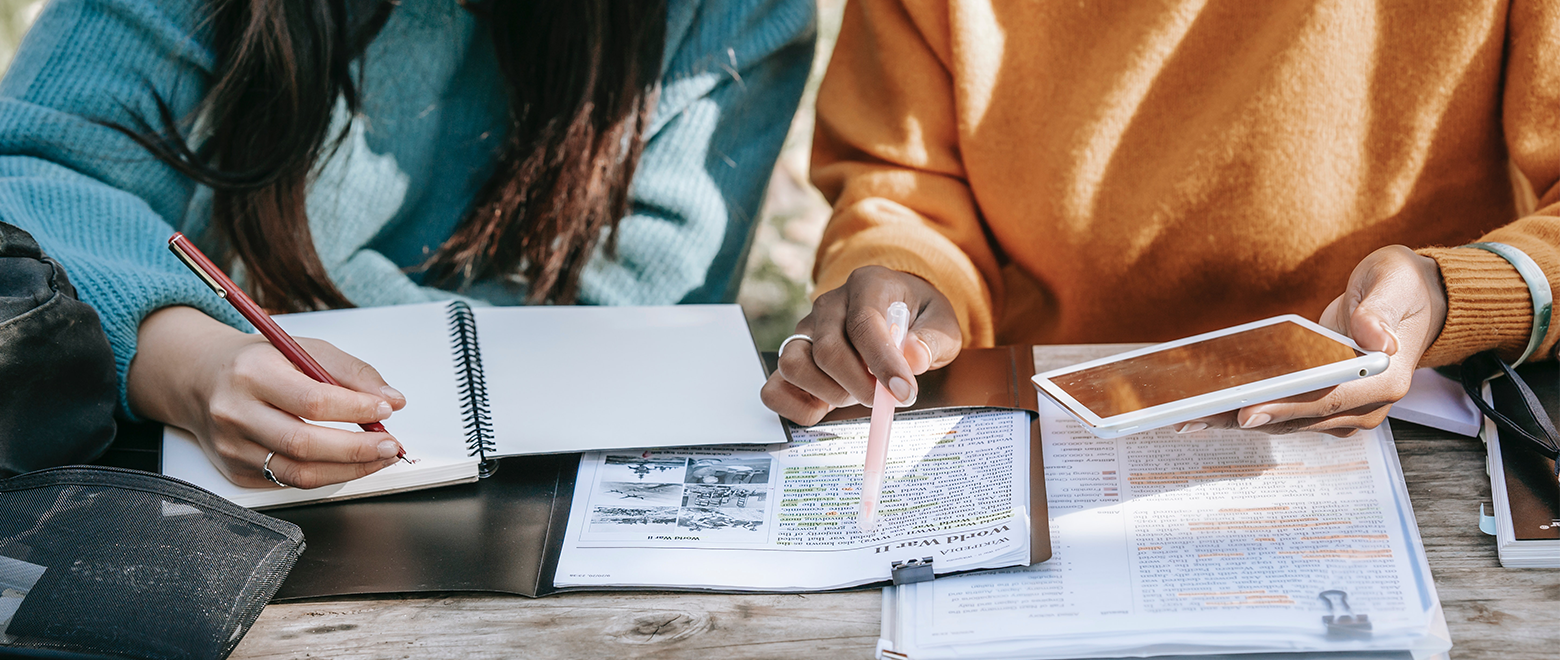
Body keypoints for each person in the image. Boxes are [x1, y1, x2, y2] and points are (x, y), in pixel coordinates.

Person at [2, 0, 814, 488]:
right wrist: (183, 360)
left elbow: (631, 326)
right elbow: (30, 172)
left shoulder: (730, 16)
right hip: (183, 498)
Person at [762, 0, 1560, 437]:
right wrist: (907, 278)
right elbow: (902, 177)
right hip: (1041, 424)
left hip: (1425, 427)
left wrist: (1459, 294)